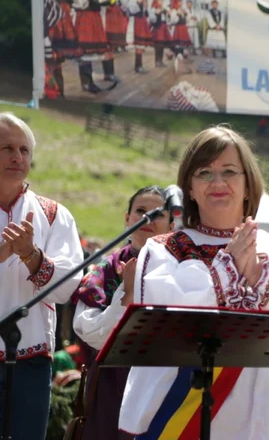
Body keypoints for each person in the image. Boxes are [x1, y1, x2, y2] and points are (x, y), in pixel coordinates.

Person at [118, 125, 269, 439]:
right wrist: (227, 269)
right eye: (204, 172)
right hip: (177, 417)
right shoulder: (163, 249)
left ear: (248, 184)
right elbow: (162, 313)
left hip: (263, 416)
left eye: (229, 171)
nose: (217, 182)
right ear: (189, 188)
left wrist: (258, 277)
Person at [0, 112, 83, 440]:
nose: (17, 156)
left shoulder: (53, 214)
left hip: (31, 361)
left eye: (23, 150)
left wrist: (31, 257)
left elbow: (68, 287)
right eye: (6, 148)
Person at [72, 186, 172, 440]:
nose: (147, 219)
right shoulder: (104, 270)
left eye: (157, 213)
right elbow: (88, 331)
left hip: (163, 383)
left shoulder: (182, 271)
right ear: (127, 218)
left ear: (172, 223)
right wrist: (125, 298)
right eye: (140, 211)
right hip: (111, 384)